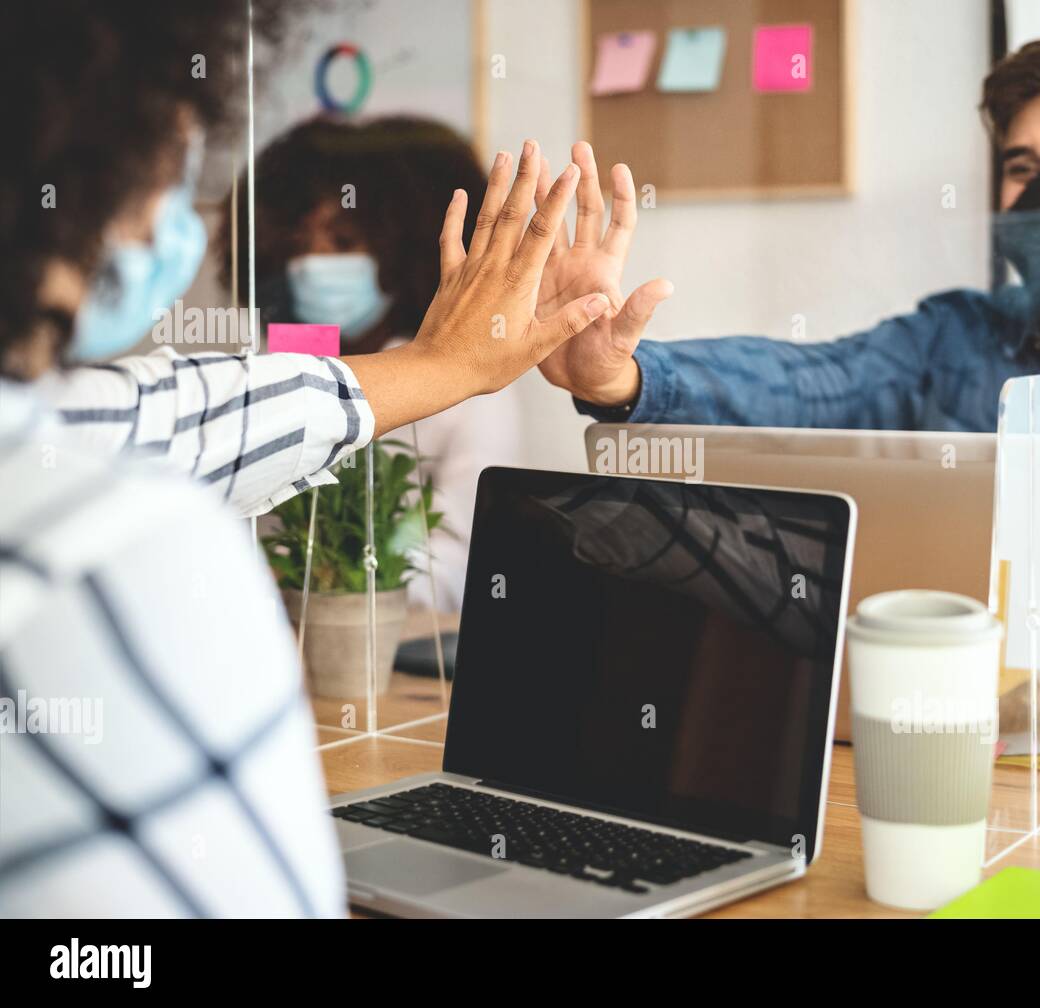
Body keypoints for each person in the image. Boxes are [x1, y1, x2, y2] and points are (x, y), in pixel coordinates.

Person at [0, 0, 610, 915]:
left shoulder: (94, 459)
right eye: (176, 162)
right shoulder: (119, 554)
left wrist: (432, 368)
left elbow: (156, 415)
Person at [539, 36, 1040, 707]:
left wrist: (1029, 625)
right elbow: (810, 382)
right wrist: (625, 377)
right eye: (1023, 167)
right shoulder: (952, 338)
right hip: (956, 741)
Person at [218, 116, 522, 611]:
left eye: (342, 243)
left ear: (405, 246)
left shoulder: (469, 385)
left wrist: (338, 588)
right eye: (297, 246)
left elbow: (467, 556)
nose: (312, 265)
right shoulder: (269, 366)